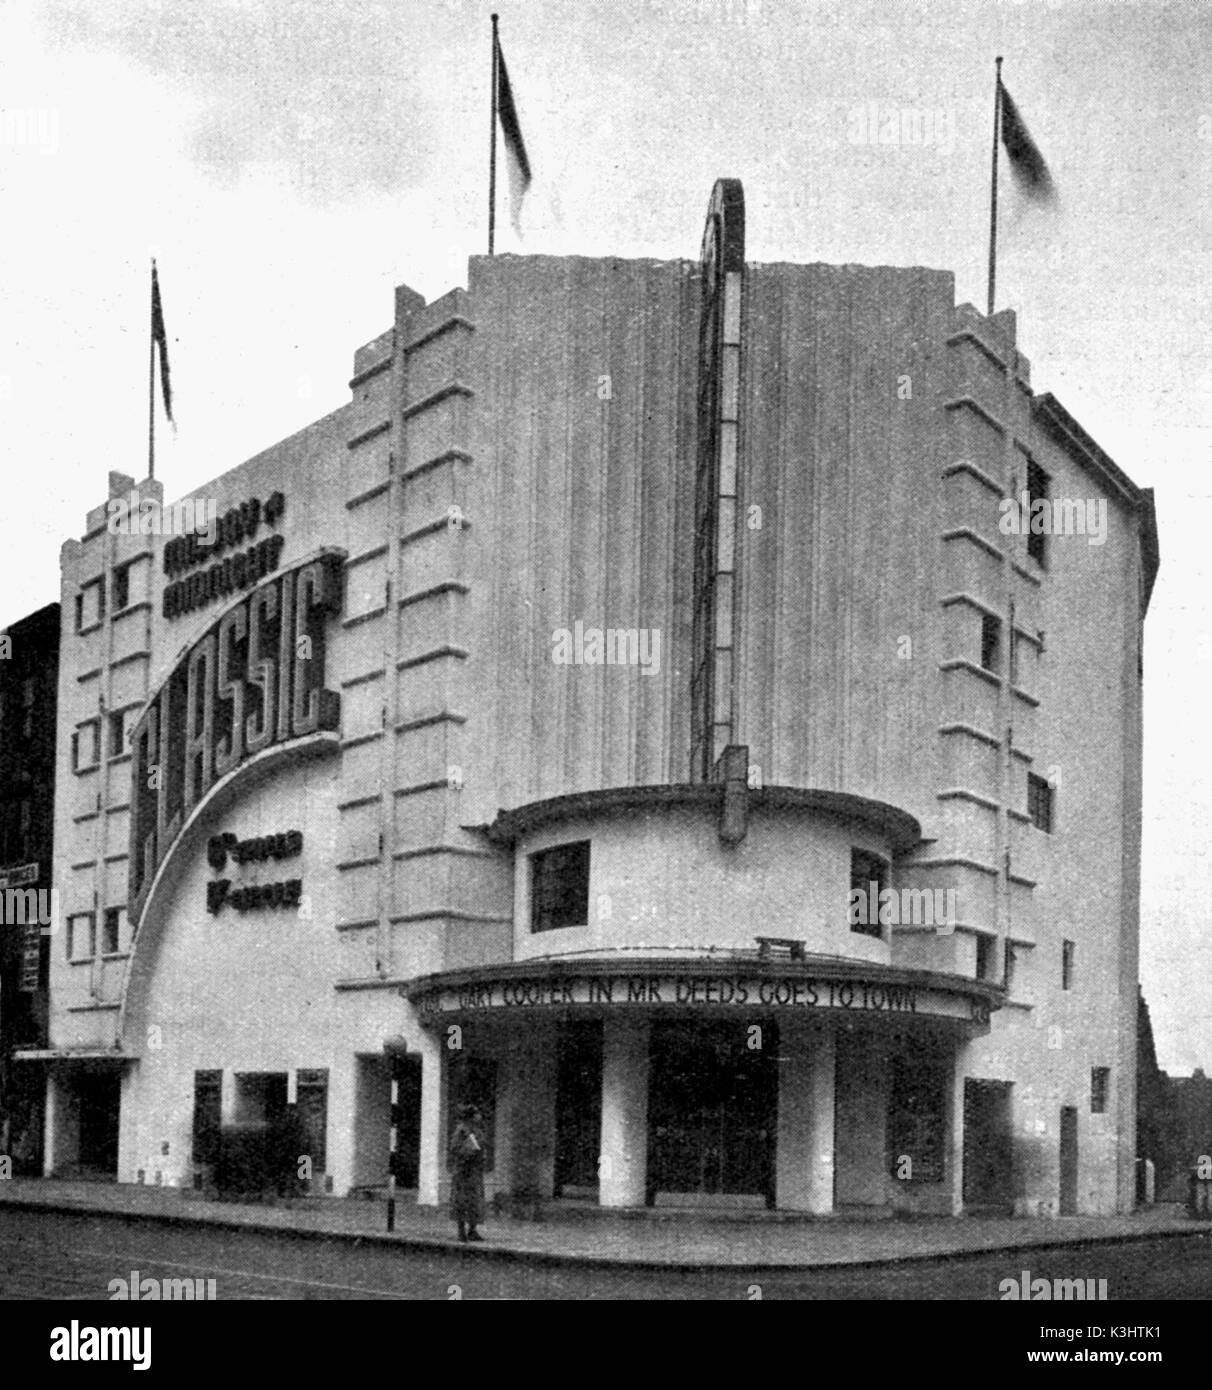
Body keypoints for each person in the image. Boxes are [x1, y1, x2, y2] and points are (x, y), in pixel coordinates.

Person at [449, 1103, 487, 1243]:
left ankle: (472, 1229)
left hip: (475, 1169)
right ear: (471, 1116)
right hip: (463, 1169)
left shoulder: (478, 1130)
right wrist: (467, 1151)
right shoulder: (461, 1130)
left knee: (475, 1200)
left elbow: (482, 1147)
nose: (479, 1116)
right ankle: (461, 1231)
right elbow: (454, 1148)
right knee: (461, 1200)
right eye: (477, 1114)